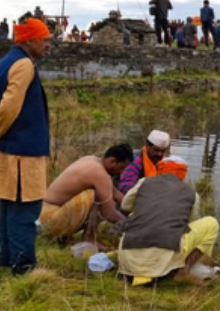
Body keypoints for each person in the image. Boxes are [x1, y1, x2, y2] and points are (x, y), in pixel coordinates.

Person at [0, 18, 52, 275]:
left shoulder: (7, 61)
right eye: (45, 40)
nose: (48, 45)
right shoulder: (23, 65)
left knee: (7, 208)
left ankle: (6, 260)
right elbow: (8, 107)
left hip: (10, 151)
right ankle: (24, 266)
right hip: (23, 154)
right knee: (24, 209)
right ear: (30, 40)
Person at [118, 156, 219, 287]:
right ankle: (184, 270)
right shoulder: (192, 194)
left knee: (135, 215)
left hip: (128, 262)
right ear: (183, 173)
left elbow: (125, 206)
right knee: (211, 223)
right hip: (162, 259)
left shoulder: (144, 182)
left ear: (159, 170)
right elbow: (190, 222)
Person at [39, 144, 133, 242]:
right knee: (97, 194)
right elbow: (109, 213)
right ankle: (89, 239)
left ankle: (67, 237)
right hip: (50, 219)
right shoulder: (99, 174)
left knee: (103, 192)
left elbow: (116, 194)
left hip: (43, 214)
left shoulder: (91, 160)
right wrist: (132, 224)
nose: (121, 173)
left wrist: (135, 209)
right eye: (121, 168)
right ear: (112, 161)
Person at [118, 130, 171, 195]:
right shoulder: (134, 160)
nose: (159, 154)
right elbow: (125, 186)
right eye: (156, 150)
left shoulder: (165, 163)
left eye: (162, 151)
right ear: (147, 146)